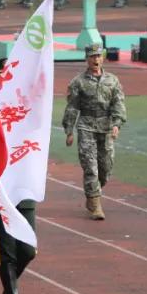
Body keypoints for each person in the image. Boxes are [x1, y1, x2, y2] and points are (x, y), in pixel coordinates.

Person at [62, 43, 126, 221]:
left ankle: (93, 192)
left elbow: (118, 103)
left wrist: (116, 124)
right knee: (90, 167)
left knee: (105, 168)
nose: (95, 60)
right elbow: (72, 107)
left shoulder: (112, 80)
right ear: (87, 59)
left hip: (106, 127)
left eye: (98, 56)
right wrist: (69, 130)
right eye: (92, 56)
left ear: (102, 57)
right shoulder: (78, 82)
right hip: (86, 126)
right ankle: (95, 204)